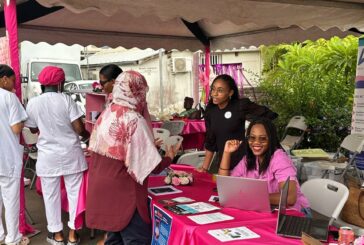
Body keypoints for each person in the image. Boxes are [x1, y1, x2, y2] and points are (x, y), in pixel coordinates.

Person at [86, 71, 179, 245]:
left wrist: (148, 147)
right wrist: (168, 158)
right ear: (139, 91)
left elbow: (118, 148)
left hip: (103, 189)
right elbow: (150, 166)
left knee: (115, 238)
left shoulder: (107, 113)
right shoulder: (133, 119)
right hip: (125, 192)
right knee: (136, 239)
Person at [25, 66, 89, 245]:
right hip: (71, 155)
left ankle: (57, 234)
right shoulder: (67, 100)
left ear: (42, 83)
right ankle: (73, 234)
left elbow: (32, 128)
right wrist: (88, 137)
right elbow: (79, 128)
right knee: (74, 193)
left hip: (48, 157)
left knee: (51, 196)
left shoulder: (33, 103)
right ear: (60, 83)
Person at [218, 118, 310, 214]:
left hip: (295, 214)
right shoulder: (248, 159)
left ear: (271, 139)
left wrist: (252, 197)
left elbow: (289, 198)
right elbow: (225, 188)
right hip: (268, 209)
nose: (256, 142)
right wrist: (227, 153)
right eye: (252, 138)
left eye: (262, 138)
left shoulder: (279, 158)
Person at [197, 74, 278, 174]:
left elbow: (269, 115)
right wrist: (205, 168)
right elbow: (211, 142)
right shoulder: (210, 111)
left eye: (220, 90)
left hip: (243, 161)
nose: (214, 94)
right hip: (223, 162)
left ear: (230, 92)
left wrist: (252, 134)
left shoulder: (240, 106)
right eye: (213, 89)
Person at [0, 65, 28, 245]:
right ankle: (13, 238)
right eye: (13, 80)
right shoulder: (9, 98)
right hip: (7, 156)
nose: (14, 84)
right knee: (10, 200)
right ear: (4, 79)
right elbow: (16, 128)